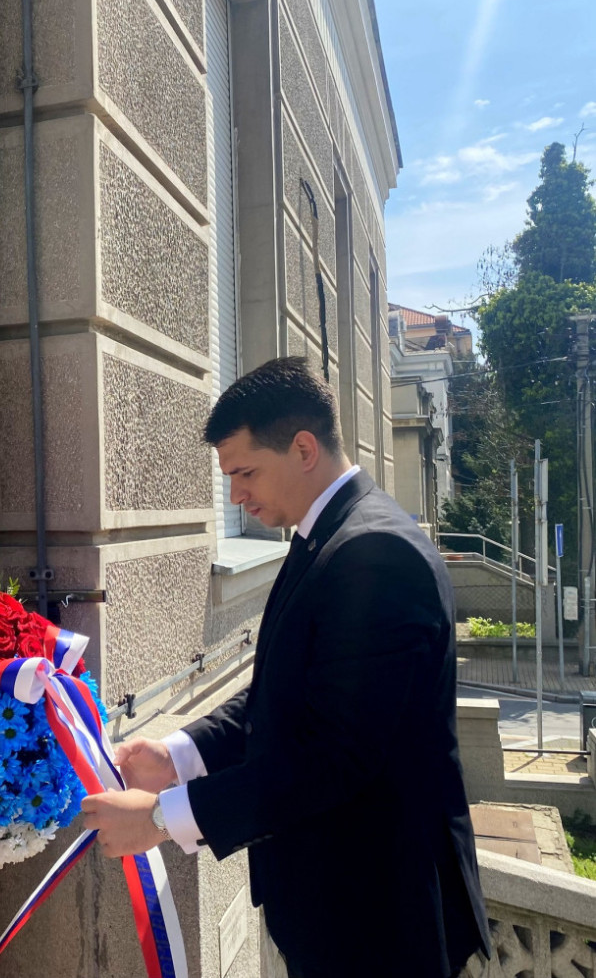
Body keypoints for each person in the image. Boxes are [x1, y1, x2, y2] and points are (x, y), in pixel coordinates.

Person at [82, 356, 490, 978]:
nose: (235, 496)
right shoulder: (327, 535)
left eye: (245, 473)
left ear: (303, 448)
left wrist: (163, 818)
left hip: (381, 923)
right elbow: (284, 694)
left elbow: (332, 758)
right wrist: (179, 755)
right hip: (335, 911)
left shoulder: (374, 553)